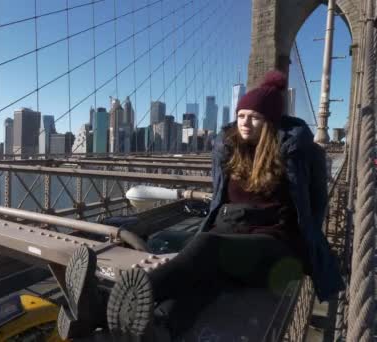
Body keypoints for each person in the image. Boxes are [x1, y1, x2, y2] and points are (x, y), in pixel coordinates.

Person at [58, 70, 345, 339]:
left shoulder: (301, 154)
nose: (244, 122)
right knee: (197, 281)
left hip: (275, 242)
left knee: (205, 246)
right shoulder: (228, 150)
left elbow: (315, 208)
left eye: (255, 117)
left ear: (270, 121)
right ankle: (159, 329)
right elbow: (221, 200)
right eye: (241, 115)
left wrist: (311, 252)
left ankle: (104, 303)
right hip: (233, 235)